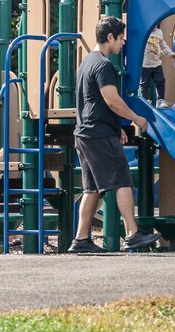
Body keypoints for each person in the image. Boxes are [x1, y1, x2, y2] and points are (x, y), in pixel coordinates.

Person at [68, 16, 161, 254]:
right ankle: (132, 233)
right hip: (98, 134)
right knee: (122, 180)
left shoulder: (86, 62)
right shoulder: (104, 66)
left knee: (92, 189)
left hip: (85, 132)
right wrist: (136, 119)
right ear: (110, 37)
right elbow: (111, 100)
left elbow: (91, 101)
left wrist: (116, 127)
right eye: (120, 39)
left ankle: (81, 240)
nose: (122, 44)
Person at [139, 25, 175, 108]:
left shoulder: (159, 32)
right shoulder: (143, 30)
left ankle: (160, 100)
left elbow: (163, 45)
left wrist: (171, 54)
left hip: (156, 63)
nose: (154, 26)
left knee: (161, 81)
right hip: (145, 64)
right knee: (144, 84)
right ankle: (145, 100)